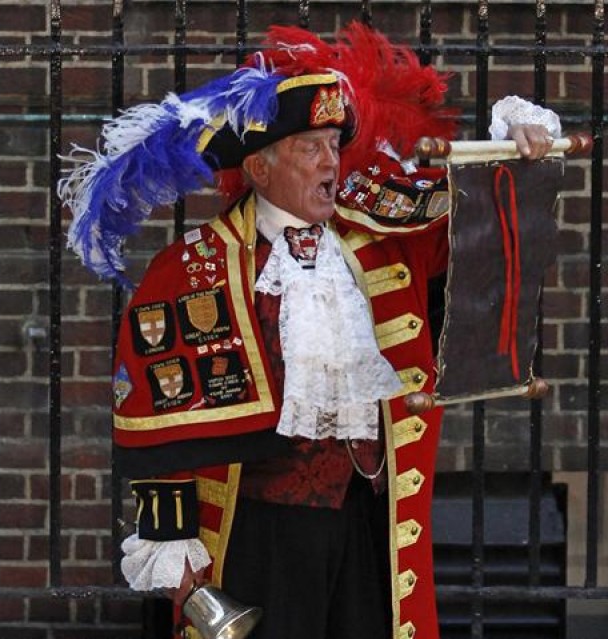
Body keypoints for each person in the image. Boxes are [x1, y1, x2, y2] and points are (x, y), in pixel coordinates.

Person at [59, 23, 560, 639]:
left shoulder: (377, 248)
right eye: (311, 148)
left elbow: (477, 231)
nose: (331, 163)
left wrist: (512, 146)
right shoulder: (192, 269)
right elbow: (157, 430)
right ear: (260, 168)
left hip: (367, 523)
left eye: (334, 145)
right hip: (256, 533)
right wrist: (171, 548)